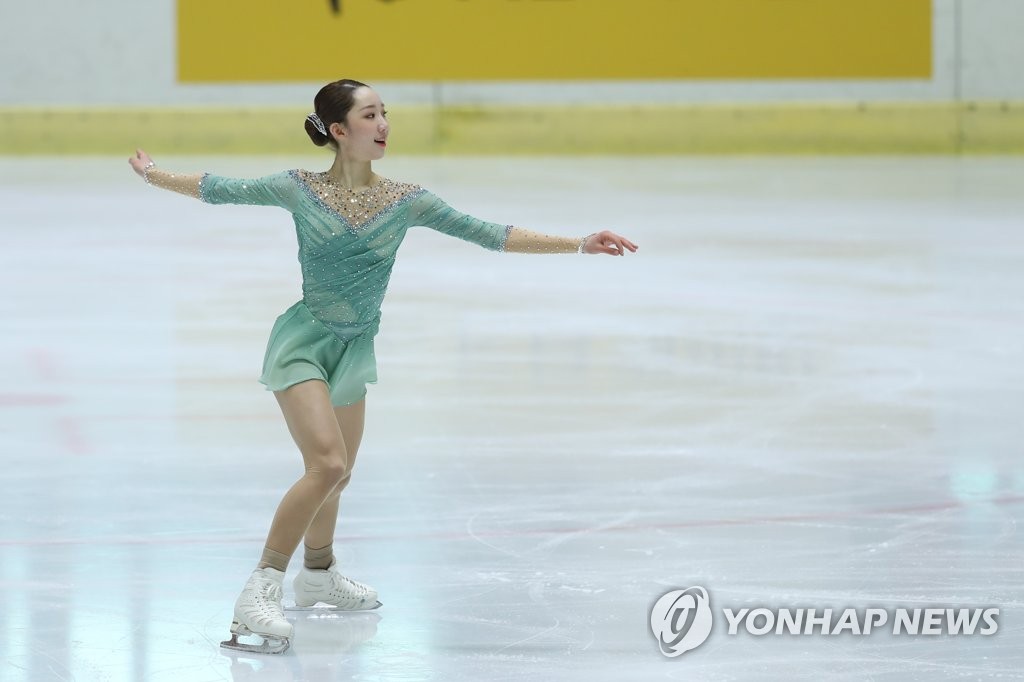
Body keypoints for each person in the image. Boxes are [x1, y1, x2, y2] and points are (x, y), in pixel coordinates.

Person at [128, 78, 638, 654]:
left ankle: (317, 574)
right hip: (303, 343)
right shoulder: (297, 189)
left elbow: (489, 233)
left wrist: (577, 242)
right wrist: (154, 174)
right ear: (339, 131)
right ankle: (259, 589)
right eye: (370, 115)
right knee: (325, 463)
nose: (384, 124)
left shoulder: (407, 200)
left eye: (385, 113)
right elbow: (219, 188)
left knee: (340, 475)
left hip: (355, 347)